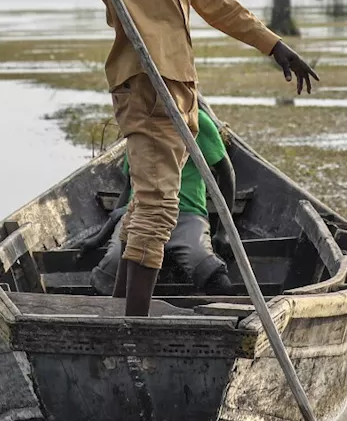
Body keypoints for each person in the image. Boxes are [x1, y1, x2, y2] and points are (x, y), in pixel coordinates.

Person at [0, 0, 318, 316]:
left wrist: (275, 45)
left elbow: (215, 3)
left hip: (182, 82)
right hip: (143, 81)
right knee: (157, 206)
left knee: (154, 203)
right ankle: (136, 323)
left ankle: (124, 310)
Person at [89, 109, 238, 296]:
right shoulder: (137, 119)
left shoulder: (195, 119)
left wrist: (224, 232)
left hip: (186, 214)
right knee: (108, 272)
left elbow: (226, 174)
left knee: (213, 276)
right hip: (139, 214)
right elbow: (129, 185)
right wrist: (106, 231)